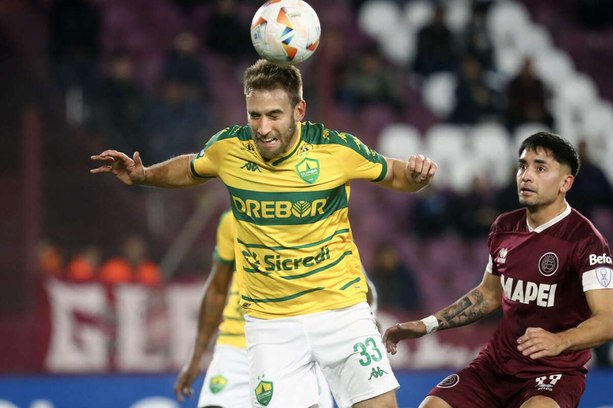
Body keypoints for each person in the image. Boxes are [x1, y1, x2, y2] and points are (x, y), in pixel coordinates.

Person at [91, 59, 437, 408]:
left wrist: (416, 176)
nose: (263, 127)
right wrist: (144, 175)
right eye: (254, 115)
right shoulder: (229, 148)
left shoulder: (336, 150)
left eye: (274, 115)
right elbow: (192, 167)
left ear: (299, 110)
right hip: (270, 326)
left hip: (341, 310)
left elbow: (393, 172)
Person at [383, 132, 613, 408]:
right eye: (522, 166)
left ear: (565, 183)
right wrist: (426, 325)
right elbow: (488, 295)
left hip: (554, 373)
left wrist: (560, 340)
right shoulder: (505, 227)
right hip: (497, 366)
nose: (526, 176)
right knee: (432, 406)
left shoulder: (586, 240)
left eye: (540, 168)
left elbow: (608, 321)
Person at [174, 210, 335, 407]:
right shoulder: (233, 220)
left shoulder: (313, 215)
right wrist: (195, 358)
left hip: (296, 343)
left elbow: (352, 280)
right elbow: (217, 288)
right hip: (237, 344)